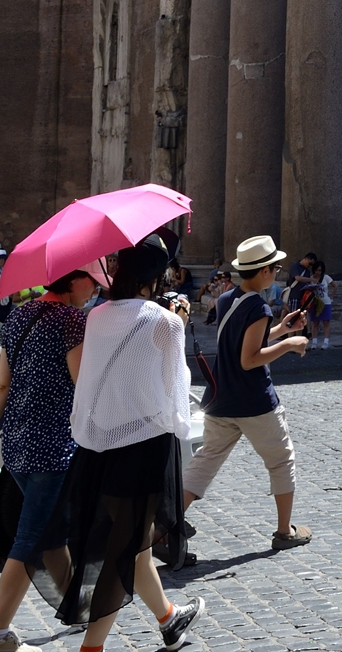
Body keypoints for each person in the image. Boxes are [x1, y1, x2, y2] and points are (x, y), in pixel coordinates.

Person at [59, 233, 205, 650]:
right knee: (124, 548)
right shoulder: (165, 322)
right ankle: (92, 646)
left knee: (132, 543)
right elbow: (175, 389)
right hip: (145, 446)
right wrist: (178, 324)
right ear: (156, 277)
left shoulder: (97, 316)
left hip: (102, 444)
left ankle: (169, 619)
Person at [0, 265, 95, 652]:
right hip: (52, 447)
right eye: (91, 279)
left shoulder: (18, 315)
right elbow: (83, 384)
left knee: (49, 533)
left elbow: (3, 385)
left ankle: (78, 606)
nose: (95, 287)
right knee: (29, 538)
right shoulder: (71, 320)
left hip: (17, 444)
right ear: (73, 280)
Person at [183, 236, 310, 554]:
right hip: (254, 401)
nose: (277, 272)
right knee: (281, 460)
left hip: (221, 397)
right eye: (276, 267)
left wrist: (281, 329)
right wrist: (289, 344)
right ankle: (285, 531)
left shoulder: (228, 298)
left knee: (206, 460)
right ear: (265, 271)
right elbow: (249, 358)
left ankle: (165, 525)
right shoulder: (259, 306)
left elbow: (242, 340)